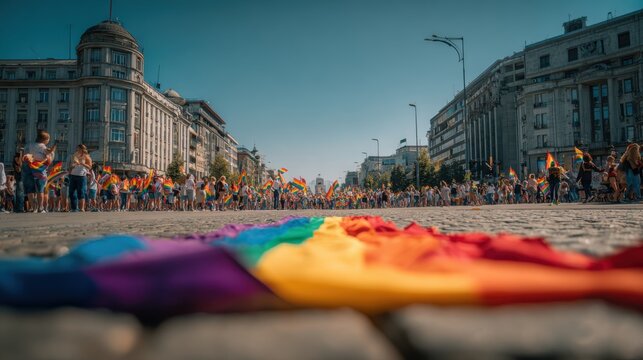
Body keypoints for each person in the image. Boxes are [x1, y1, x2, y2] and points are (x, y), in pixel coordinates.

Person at [22, 130, 56, 213]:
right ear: (45, 140)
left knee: (30, 189)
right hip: (38, 168)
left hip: (27, 167)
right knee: (40, 188)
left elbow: (23, 155)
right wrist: (52, 152)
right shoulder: (43, 147)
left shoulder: (28, 145)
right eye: (48, 139)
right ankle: (40, 208)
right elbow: (49, 159)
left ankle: (34, 208)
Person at [68, 144, 92, 212]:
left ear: (82, 149)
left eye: (78, 148)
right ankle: (74, 208)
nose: (77, 149)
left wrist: (83, 163)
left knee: (81, 192)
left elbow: (90, 167)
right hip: (73, 175)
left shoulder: (86, 156)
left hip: (81, 176)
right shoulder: (74, 156)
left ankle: (82, 208)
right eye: (77, 148)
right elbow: (70, 165)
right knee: (71, 192)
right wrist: (71, 166)